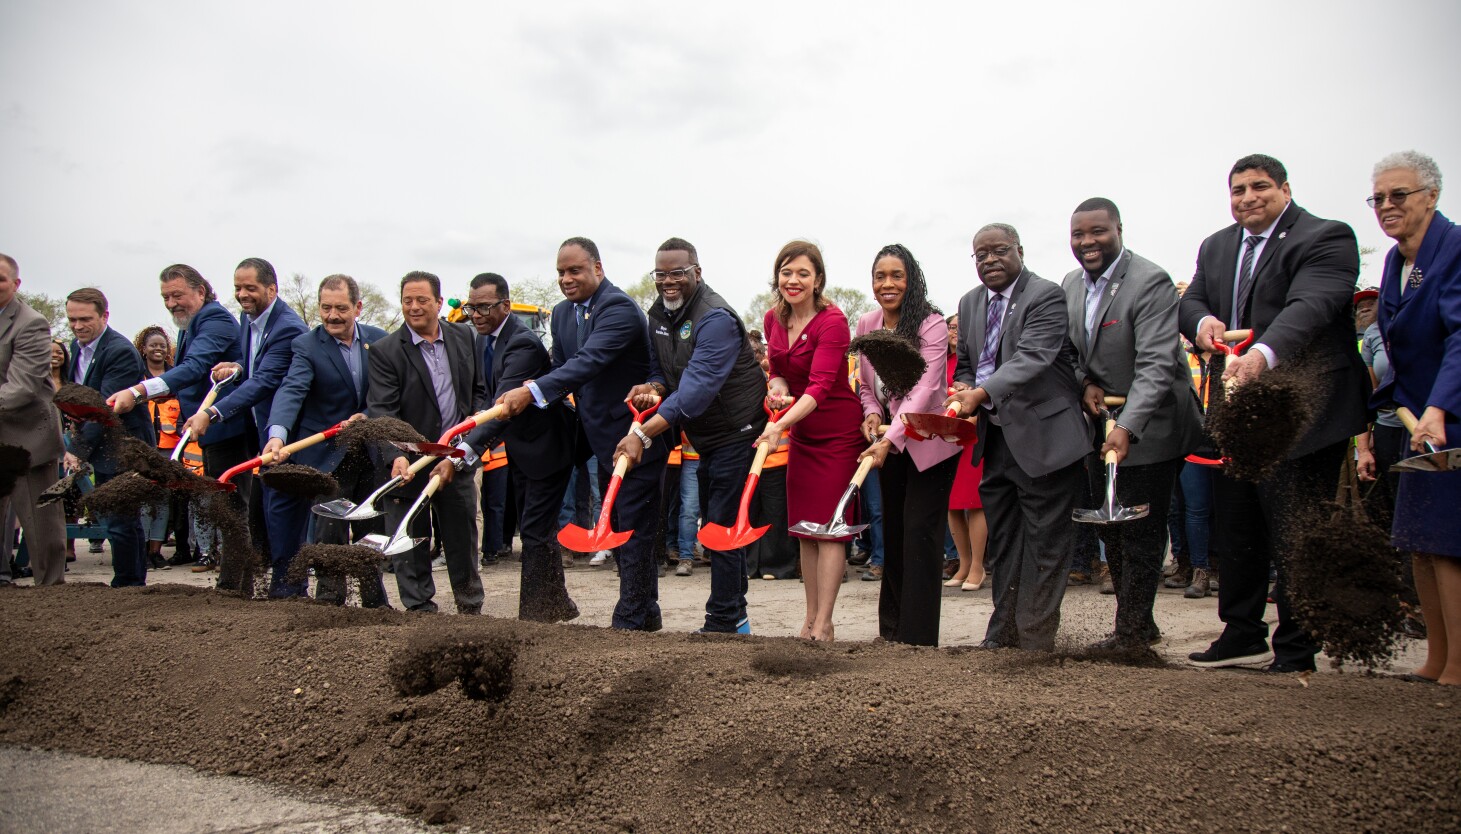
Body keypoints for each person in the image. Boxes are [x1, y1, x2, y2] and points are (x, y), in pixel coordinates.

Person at [1178, 153, 1369, 673]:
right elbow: (1191, 299)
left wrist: (1264, 353)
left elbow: (1312, 306)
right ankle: (1241, 632)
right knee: (1236, 526)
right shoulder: (1217, 245)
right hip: (1237, 412)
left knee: (1293, 526)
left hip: (1302, 410)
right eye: (1237, 190)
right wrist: (1202, 324)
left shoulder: (1325, 237)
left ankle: (1298, 644)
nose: (1247, 198)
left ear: (1285, 189)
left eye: (1259, 187)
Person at [498, 237, 670, 631]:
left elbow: (589, 362)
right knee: (626, 527)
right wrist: (537, 385)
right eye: (560, 272)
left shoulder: (619, 308)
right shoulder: (561, 313)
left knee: (634, 531)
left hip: (636, 435)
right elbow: (561, 365)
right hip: (599, 438)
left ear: (598, 268)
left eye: (574, 270)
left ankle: (629, 618)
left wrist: (533, 391)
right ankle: (645, 614)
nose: (566, 278)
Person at [1060, 199, 1204, 648]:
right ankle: (1138, 622)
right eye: (1078, 234)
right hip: (1102, 424)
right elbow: (1070, 350)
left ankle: (1133, 632)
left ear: (1119, 229)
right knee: (1111, 527)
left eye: (1098, 232)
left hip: (1152, 424)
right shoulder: (1070, 285)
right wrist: (1083, 383)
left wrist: (1130, 425)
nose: (1087, 242)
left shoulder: (1150, 280)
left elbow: (1158, 364)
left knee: (1141, 528)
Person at [946, 224, 1091, 651]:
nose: (989, 260)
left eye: (998, 251)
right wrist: (964, 386)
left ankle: (1036, 642)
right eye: (980, 255)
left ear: (1020, 251)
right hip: (997, 441)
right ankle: (1003, 635)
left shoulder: (1044, 295)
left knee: (1046, 545)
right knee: (1005, 542)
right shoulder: (970, 303)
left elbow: (1033, 357)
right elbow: (969, 363)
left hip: (1046, 440)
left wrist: (981, 392)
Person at [617, 237, 768, 634]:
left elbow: (697, 388)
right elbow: (663, 372)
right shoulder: (659, 316)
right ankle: (735, 616)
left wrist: (643, 434)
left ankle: (723, 619)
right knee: (717, 523)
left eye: (678, 273)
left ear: (696, 273)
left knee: (720, 523)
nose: (668, 281)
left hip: (738, 431)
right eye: (660, 274)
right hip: (705, 435)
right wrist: (652, 386)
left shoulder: (714, 318)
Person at [1367, 150, 1461, 685]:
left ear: (1431, 196)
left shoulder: (1456, 248)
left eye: (1398, 195)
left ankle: (1459, 666)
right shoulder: (1396, 261)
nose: (1386, 205)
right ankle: (1437, 658)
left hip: (1447, 417)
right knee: (1421, 542)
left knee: (1449, 542)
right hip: (1413, 419)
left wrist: (1439, 408)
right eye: (1378, 197)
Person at [107, 264, 252, 587]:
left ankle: (237, 585)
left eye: (177, 295)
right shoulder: (190, 324)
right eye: (165, 297)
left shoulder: (213, 319)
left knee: (230, 508)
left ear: (200, 291)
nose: (171, 303)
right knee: (223, 506)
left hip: (229, 428)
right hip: (209, 430)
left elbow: (195, 367)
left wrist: (139, 391)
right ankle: (234, 583)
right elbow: (189, 377)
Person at [757, 240, 865, 642]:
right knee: (805, 529)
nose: (794, 280)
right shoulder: (772, 318)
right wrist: (777, 388)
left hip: (837, 433)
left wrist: (778, 425)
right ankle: (809, 618)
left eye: (803, 273)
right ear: (777, 277)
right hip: (802, 433)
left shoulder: (832, 321)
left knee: (830, 527)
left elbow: (820, 386)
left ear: (818, 279)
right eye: (786, 272)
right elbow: (778, 371)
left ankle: (825, 622)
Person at [180, 258, 307, 595]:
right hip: (255, 427)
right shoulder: (247, 319)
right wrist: (237, 365)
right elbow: (254, 368)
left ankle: (287, 590)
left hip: (283, 430)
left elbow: (266, 380)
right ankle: (255, 586)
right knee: (258, 511)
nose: (242, 294)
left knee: (280, 512)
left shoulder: (288, 327)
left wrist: (212, 413)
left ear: (272, 288)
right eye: (238, 287)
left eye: (250, 287)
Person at [854, 244, 960, 646]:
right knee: (895, 535)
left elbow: (923, 389)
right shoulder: (867, 323)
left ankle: (918, 639)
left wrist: (890, 438)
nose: (887, 284)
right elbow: (866, 384)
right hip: (889, 444)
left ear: (910, 279)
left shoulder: (930, 324)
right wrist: (871, 415)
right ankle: (891, 632)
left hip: (929, 443)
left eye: (896, 275)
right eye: (880, 276)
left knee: (921, 534)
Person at [458, 272, 580, 622]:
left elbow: (503, 408)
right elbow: (486, 394)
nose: (476, 314)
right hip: (523, 449)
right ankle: (558, 604)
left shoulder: (523, 343)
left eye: (484, 307)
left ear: (505, 306)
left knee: (534, 531)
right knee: (537, 530)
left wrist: (468, 451)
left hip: (548, 448)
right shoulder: (484, 340)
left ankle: (534, 615)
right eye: (471, 307)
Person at [263, 274, 390, 606]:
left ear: (358, 308)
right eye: (326, 308)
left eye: (341, 308)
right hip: (327, 456)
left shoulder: (379, 341)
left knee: (371, 528)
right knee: (330, 532)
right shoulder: (307, 345)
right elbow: (292, 390)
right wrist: (278, 435)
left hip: (369, 452)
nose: (332, 316)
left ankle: (375, 602)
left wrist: (367, 415)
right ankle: (329, 602)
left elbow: (386, 393)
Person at [367, 271, 486, 614]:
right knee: (412, 541)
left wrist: (468, 439)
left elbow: (479, 389)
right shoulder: (386, 351)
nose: (414, 307)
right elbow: (382, 411)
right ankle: (419, 610)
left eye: (422, 300)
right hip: (409, 462)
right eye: (407, 301)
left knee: (462, 537)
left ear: (438, 302)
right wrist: (395, 454)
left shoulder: (464, 337)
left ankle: (470, 607)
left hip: (455, 456)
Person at [62, 288, 157, 588]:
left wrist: (76, 450)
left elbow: (105, 408)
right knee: (119, 518)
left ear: (104, 315)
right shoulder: (77, 349)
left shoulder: (118, 351)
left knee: (120, 518)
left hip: (124, 447)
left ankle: (128, 583)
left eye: (85, 319)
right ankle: (131, 580)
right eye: (72, 319)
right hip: (101, 447)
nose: (78, 326)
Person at [0, 252, 68, 586]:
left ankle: (52, 593)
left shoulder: (30, 323)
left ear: (15, 283)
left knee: (42, 531)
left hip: (27, 441)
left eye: (0, 279)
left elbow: (22, 388)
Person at [134, 326, 189, 569]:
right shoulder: (138, 377)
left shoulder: (175, 377)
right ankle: (141, 550)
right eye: (152, 345)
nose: (158, 349)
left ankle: (156, 551)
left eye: (162, 345)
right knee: (144, 499)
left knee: (164, 500)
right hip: (144, 447)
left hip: (171, 449)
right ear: (143, 349)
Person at [944, 312, 987, 591]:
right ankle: (962, 562)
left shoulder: (979, 359)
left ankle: (978, 566)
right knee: (951, 503)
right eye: (951, 326)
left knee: (973, 501)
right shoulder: (941, 360)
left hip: (974, 435)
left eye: (961, 327)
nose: (955, 331)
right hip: (947, 437)